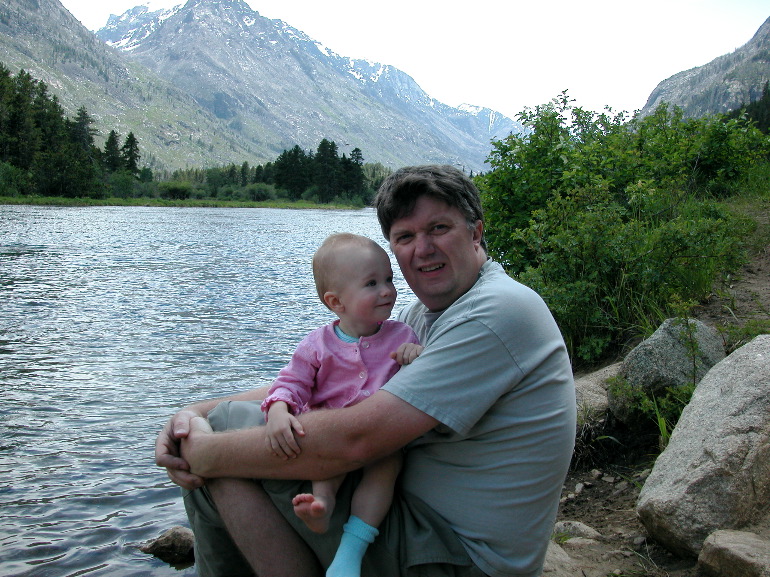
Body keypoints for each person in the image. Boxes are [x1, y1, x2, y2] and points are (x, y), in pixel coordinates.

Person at [156, 164, 577, 577]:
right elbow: (321, 379)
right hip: (414, 525)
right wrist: (193, 412)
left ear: (476, 232)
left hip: (456, 556)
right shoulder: (422, 317)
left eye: (439, 228)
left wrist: (204, 452)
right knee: (219, 428)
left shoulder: (496, 312)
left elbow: (356, 439)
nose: (423, 248)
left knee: (226, 437)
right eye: (406, 237)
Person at [262, 232, 422, 577]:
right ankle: (322, 507)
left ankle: (351, 549)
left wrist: (414, 356)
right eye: (371, 283)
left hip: (379, 438)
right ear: (336, 302)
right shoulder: (317, 344)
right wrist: (278, 410)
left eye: (389, 279)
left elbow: (419, 374)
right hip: (331, 437)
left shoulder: (402, 336)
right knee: (325, 468)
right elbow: (291, 383)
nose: (387, 290)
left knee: (386, 468)